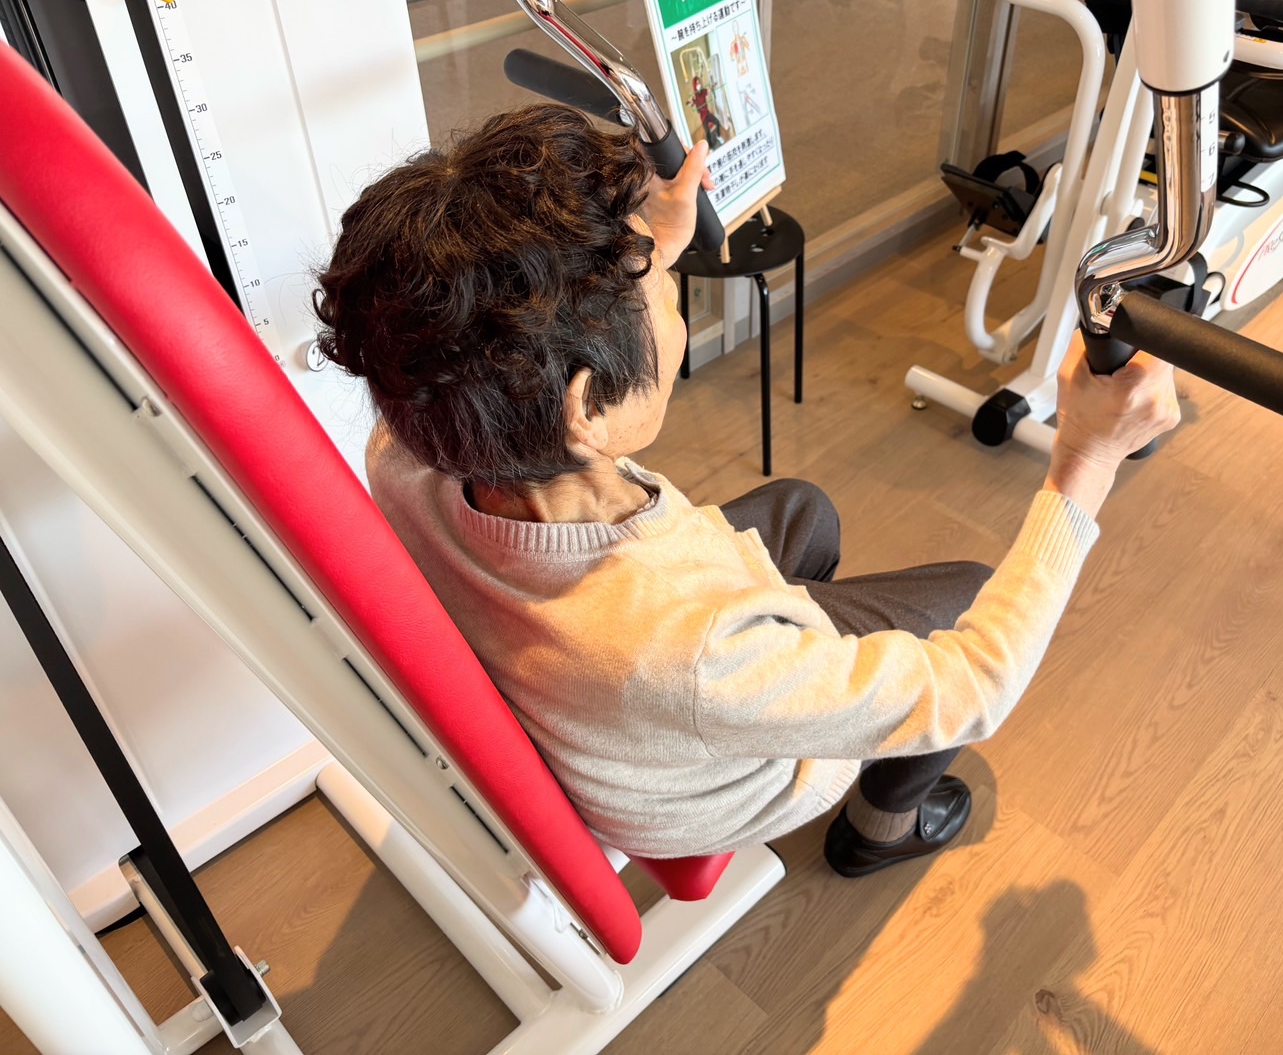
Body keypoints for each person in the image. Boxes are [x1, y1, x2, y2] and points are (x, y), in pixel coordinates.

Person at [314, 104, 1179, 877]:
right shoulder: (688, 647)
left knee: (802, 510)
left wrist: (648, 244)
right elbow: (973, 689)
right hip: (707, 777)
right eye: (662, 294)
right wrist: (1085, 460)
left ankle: (800, 675)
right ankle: (880, 826)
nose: (673, 303)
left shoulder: (411, 440)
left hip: (611, 679)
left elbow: (501, 351)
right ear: (584, 409)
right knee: (970, 596)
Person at [688, 75, 725, 148]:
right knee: (707, 132)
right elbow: (691, 103)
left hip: (708, 114)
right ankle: (710, 147)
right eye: (697, 83)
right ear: (694, 85)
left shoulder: (703, 91)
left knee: (717, 122)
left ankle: (718, 136)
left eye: (699, 82)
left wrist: (714, 85)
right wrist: (690, 103)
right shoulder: (695, 96)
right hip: (703, 117)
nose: (699, 84)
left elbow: (709, 89)